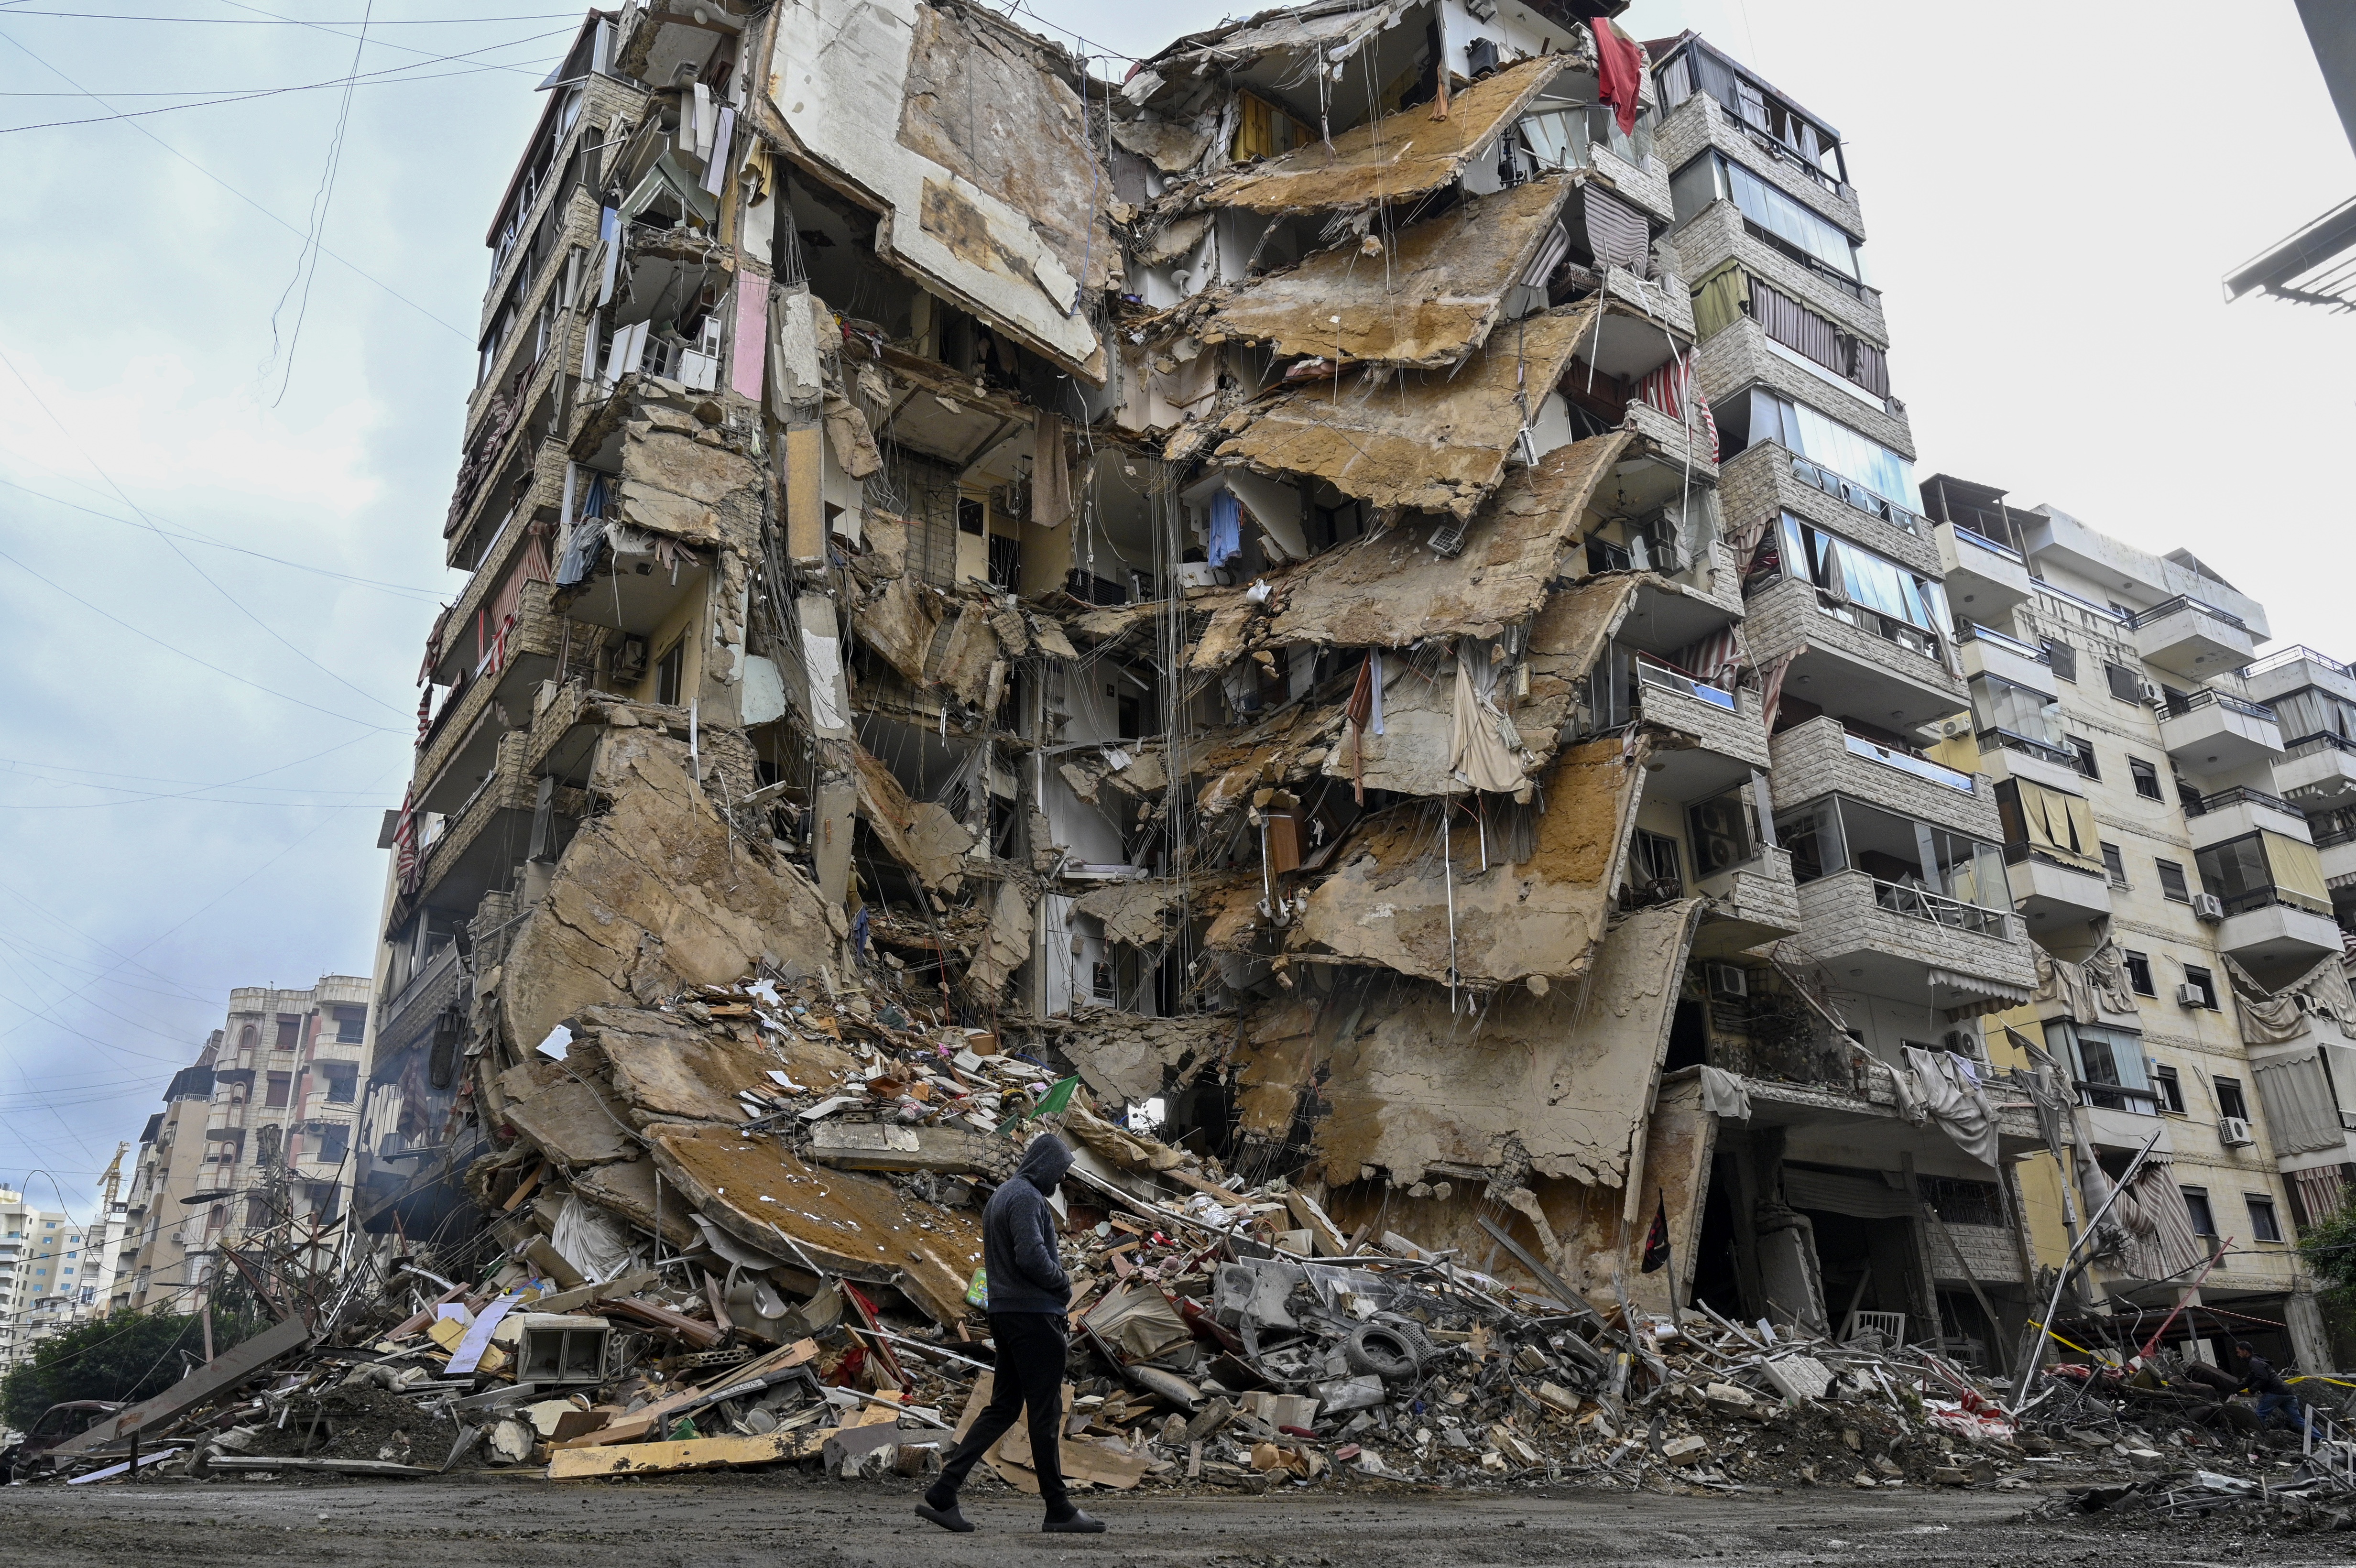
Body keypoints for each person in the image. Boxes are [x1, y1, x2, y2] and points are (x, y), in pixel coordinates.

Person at [916, 1131, 1105, 1535]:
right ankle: (1058, 1508)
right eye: (1058, 1172)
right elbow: (1031, 1254)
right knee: (1044, 1411)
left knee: (1003, 1407)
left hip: (1007, 1315)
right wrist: (1062, 1284)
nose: (1059, 1181)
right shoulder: (1025, 1198)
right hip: (1033, 1317)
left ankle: (944, 1491)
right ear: (1043, 1166)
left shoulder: (1003, 1195)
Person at [2233, 1340, 2311, 1434]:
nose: (2238, 1355)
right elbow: (2249, 1380)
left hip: (2274, 1393)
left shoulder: (2254, 1363)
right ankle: (2322, 1439)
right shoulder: (2257, 1361)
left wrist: (2251, 1391)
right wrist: (2234, 1388)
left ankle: (2260, 1438)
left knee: (2258, 1416)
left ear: (2245, 1351)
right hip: (2287, 1393)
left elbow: (2263, 1378)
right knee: (2299, 1421)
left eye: (2239, 1352)